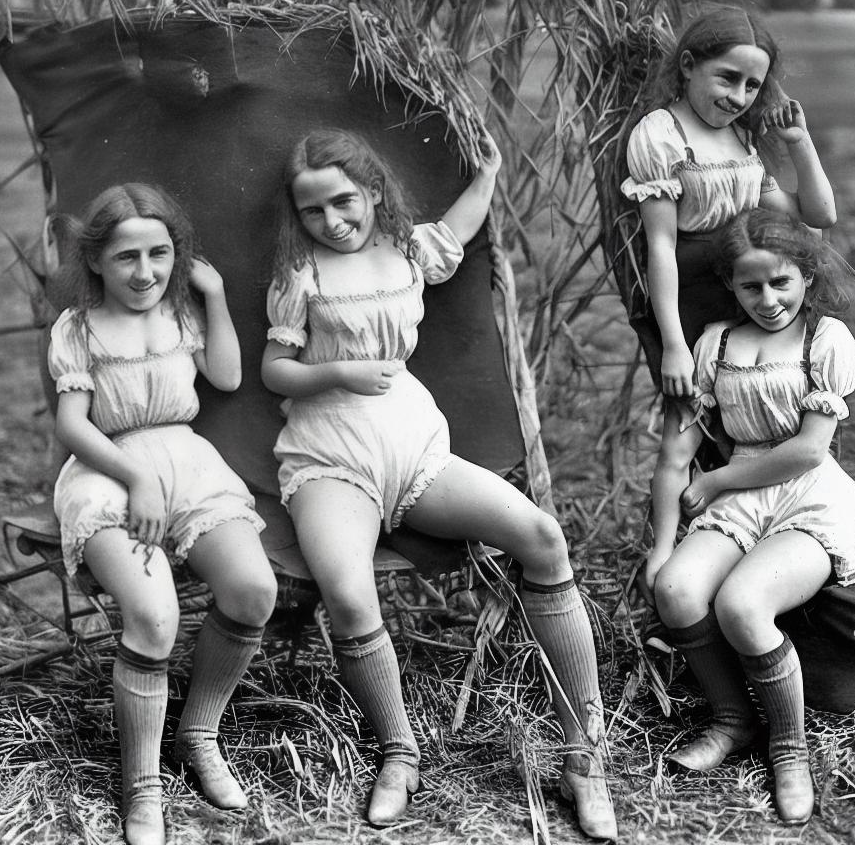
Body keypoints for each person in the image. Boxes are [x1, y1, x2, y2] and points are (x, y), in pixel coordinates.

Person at [260, 128, 617, 840]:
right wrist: (339, 373)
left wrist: (486, 170)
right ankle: (399, 752)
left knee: (543, 539)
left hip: (414, 445)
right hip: (331, 458)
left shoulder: (406, 251)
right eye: (313, 211)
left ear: (372, 193)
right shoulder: (300, 275)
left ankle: (584, 755)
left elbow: (457, 230)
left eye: (344, 202)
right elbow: (276, 370)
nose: (332, 222)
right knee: (349, 591)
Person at [47, 184, 278, 845]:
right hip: (107, 470)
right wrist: (133, 476)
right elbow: (72, 423)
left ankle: (198, 734)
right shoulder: (79, 328)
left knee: (252, 590)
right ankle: (142, 786)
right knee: (155, 618)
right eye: (126, 257)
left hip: (189, 462)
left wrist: (213, 298)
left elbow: (228, 378)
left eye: (159, 252)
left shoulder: (181, 310)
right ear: (95, 261)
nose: (145, 272)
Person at [652, 207, 855, 824]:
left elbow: (806, 450)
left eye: (782, 283)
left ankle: (789, 746)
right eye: (751, 286)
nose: (768, 299)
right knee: (676, 588)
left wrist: (718, 478)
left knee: (743, 604)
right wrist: (660, 545)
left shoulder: (823, 338)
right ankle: (733, 718)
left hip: (808, 492)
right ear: (731, 285)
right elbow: (676, 454)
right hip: (743, 498)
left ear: (805, 277)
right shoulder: (716, 343)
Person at [619, 3, 839, 605]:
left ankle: (777, 538)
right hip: (687, 297)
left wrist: (798, 142)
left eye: (752, 84)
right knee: (684, 427)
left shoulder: (744, 136)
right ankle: (666, 552)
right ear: (688, 66)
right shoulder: (660, 135)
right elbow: (660, 246)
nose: (739, 95)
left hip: (748, 287)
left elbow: (819, 217)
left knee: (773, 414)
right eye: (726, 78)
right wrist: (671, 343)